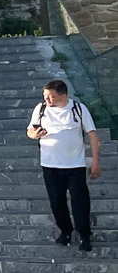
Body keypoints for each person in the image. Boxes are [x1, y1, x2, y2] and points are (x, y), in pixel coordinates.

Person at [27, 80, 102, 252]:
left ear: (63, 95)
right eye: (45, 96)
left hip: (74, 165)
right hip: (50, 165)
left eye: (51, 97)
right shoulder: (40, 110)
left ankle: (84, 234)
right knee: (56, 202)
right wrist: (34, 135)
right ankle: (65, 231)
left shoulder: (78, 109)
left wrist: (96, 161)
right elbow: (30, 130)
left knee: (80, 202)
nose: (48, 100)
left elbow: (92, 135)